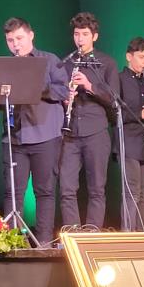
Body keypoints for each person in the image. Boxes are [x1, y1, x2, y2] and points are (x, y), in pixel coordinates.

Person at [2, 17, 70, 247]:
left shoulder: (49, 60)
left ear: (31, 36)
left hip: (45, 135)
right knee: (13, 192)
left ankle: (44, 242)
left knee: (45, 191)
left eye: (19, 38)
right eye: (10, 40)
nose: (15, 44)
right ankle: (13, 243)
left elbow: (63, 91)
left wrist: (38, 87)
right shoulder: (6, 66)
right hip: (14, 137)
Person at [58, 12, 119, 230]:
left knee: (97, 189)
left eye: (85, 34)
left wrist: (89, 86)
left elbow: (114, 99)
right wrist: (65, 98)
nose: (80, 39)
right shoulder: (66, 63)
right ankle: (73, 234)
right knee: (66, 188)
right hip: (70, 132)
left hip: (96, 132)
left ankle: (92, 233)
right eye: (77, 34)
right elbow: (56, 93)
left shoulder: (107, 63)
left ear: (94, 36)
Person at [115, 37, 144, 230]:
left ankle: (143, 234)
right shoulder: (119, 79)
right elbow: (114, 113)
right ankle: (129, 235)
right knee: (131, 192)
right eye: (141, 57)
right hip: (128, 143)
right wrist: (140, 114)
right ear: (129, 56)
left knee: (143, 193)